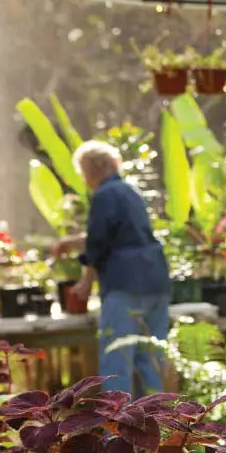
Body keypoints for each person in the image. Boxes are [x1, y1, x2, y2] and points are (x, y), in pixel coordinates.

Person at [53, 140, 172, 396]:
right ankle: (156, 427)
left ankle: (117, 431)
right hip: (156, 281)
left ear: (89, 171)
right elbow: (126, 235)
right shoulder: (131, 191)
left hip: (125, 284)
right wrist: (73, 242)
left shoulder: (104, 195)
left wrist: (85, 282)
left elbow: (98, 243)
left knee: (116, 360)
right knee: (149, 360)